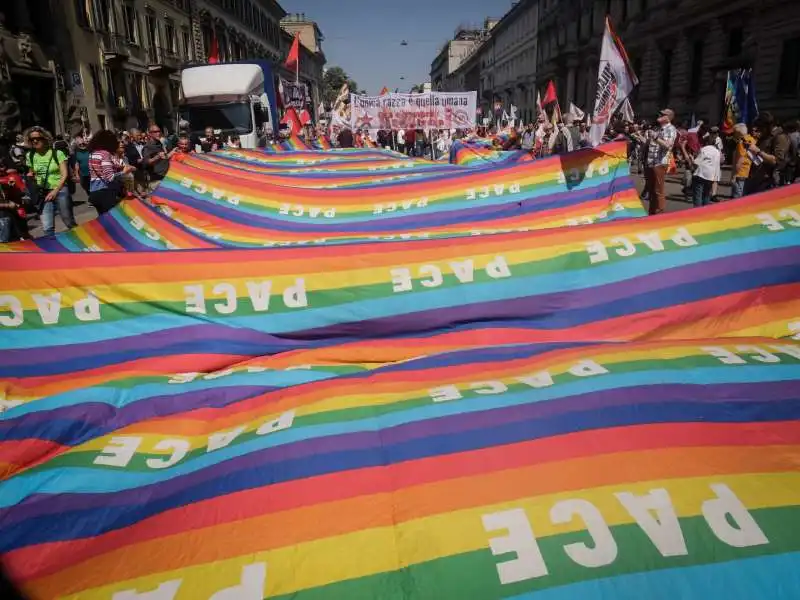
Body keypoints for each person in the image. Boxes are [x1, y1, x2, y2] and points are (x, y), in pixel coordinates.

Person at [24, 126, 75, 237]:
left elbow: (65, 174)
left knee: (68, 221)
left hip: (60, 189)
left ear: (45, 139)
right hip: (43, 193)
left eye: (38, 138)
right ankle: (53, 251)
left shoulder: (57, 153)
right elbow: (31, 172)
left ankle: (82, 243)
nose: (35, 141)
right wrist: (30, 176)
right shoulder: (30, 155)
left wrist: (56, 190)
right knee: (47, 227)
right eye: (32, 139)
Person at [88, 129, 134, 214]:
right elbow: (110, 177)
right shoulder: (105, 154)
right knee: (115, 220)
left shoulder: (92, 154)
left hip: (94, 192)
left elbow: (100, 169)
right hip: (105, 193)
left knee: (104, 222)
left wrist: (119, 166)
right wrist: (124, 171)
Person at [745, 112, 790, 195]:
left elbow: (776, 161)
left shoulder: (780, 137)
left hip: (768, 183)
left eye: (761, 128)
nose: (759, 130)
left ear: (768, 126)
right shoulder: (766, 136)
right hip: (756, 179)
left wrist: (758, 151)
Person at [642, 108, 677, 215]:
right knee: (651, 190)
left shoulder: (671, 129)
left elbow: (668, 145)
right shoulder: (657, 128)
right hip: (650, 162)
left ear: (668, 117)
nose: (659, 115)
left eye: (662, 114)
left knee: (658, 190)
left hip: (660, 163)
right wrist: (640, 138)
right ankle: (652, 213)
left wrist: (656, 137)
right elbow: (649, 143)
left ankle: (659, 214)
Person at [691, 132, 721, 208]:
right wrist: (716, 177)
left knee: (698, 195)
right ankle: (705, 213)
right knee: (706, 195)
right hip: (711, 176)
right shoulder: (717, 152)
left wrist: (691, 159)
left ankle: (697, 213)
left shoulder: (704, 149)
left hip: (701, 174)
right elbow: (717, 165)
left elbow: (696, 162)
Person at [141, 123, 170, 189]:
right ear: (150, 134)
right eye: (155, 132)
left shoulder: (160, 143)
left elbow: (166, 156)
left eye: (159, 131)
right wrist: (157, 157)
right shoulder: (147, 147)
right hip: (156, 179)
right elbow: (146, 162)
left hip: (166, 177)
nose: (158, 133)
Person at [731, 123, 756, 199]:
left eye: (734, 132)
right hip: (748, 171)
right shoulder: (752, 139)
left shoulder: (741, 143)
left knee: (737, 196)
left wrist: (734, 175)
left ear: (738, 133)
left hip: (740, 172)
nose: (734, 135)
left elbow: (740, 159)